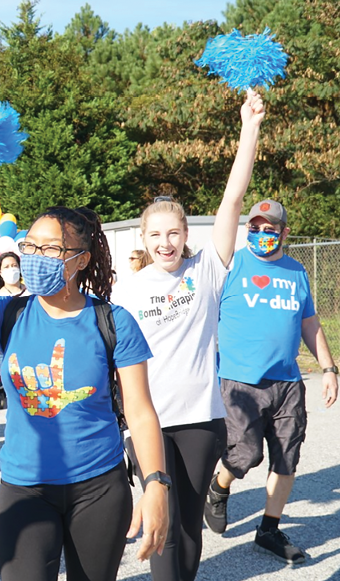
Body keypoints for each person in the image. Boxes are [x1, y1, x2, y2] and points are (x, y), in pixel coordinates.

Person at [0, 185, 169, 580]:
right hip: (24, 488)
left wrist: (156, 485)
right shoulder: (9, 312)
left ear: (80, 260)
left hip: (99, 488)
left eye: (51, 250)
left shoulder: (114, 322)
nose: (36, 258)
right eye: (31, 247)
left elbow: (141, 413)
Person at [112, 90, 265, 581]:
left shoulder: (208, 271)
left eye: (173, 234)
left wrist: (250, 128)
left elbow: (233, 199)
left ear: (185, 235)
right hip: (149, 421)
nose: (164, 243)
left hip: (201, 419)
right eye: (155, 235)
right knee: (163, 525)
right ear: (143, 239)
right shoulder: (129, 290)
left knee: (191, 528)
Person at [204, 199, 338, 564]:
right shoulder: (229, 266)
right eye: (256, 227)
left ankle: (269, 529)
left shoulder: (296, 272)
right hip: (239, 383)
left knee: (286, 459)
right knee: (245, 454)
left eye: (270, 228)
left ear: (284, 232)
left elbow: (310, 324)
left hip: (288, 382)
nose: (262, 234)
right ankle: (218, 487)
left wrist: (328, 369)